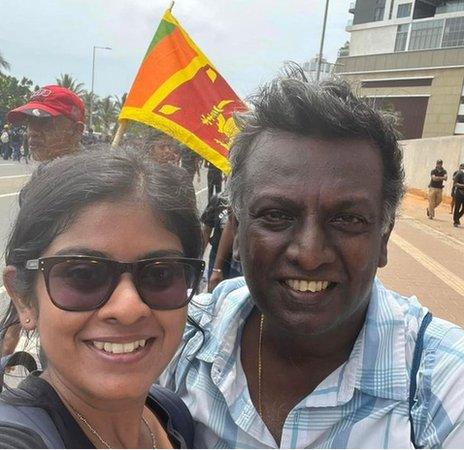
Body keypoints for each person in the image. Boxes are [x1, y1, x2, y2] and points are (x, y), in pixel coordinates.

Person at [160, 68, 464, 448]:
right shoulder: (179, 339)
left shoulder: (443, 386)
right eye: (276, 215)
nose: (309, 254)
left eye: (347, 219)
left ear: (383, 237)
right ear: (236, 231)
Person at [0, 149, 204, 448]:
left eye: (160, 274)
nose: (128, 308)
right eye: (83, 274)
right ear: (23, 299)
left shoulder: (169, 412)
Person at [7, 85, 85, 161]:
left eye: (45, 122)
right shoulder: (52, 170)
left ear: (76, 131)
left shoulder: (87, 172)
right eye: (30, 122)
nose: (32, 132)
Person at [453, 163, 464, 227]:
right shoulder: (459, 174)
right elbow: (455, 184)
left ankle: (457, 218)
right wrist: (462, 185)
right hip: (459, 193)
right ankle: (455, 221)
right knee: (457, 207)